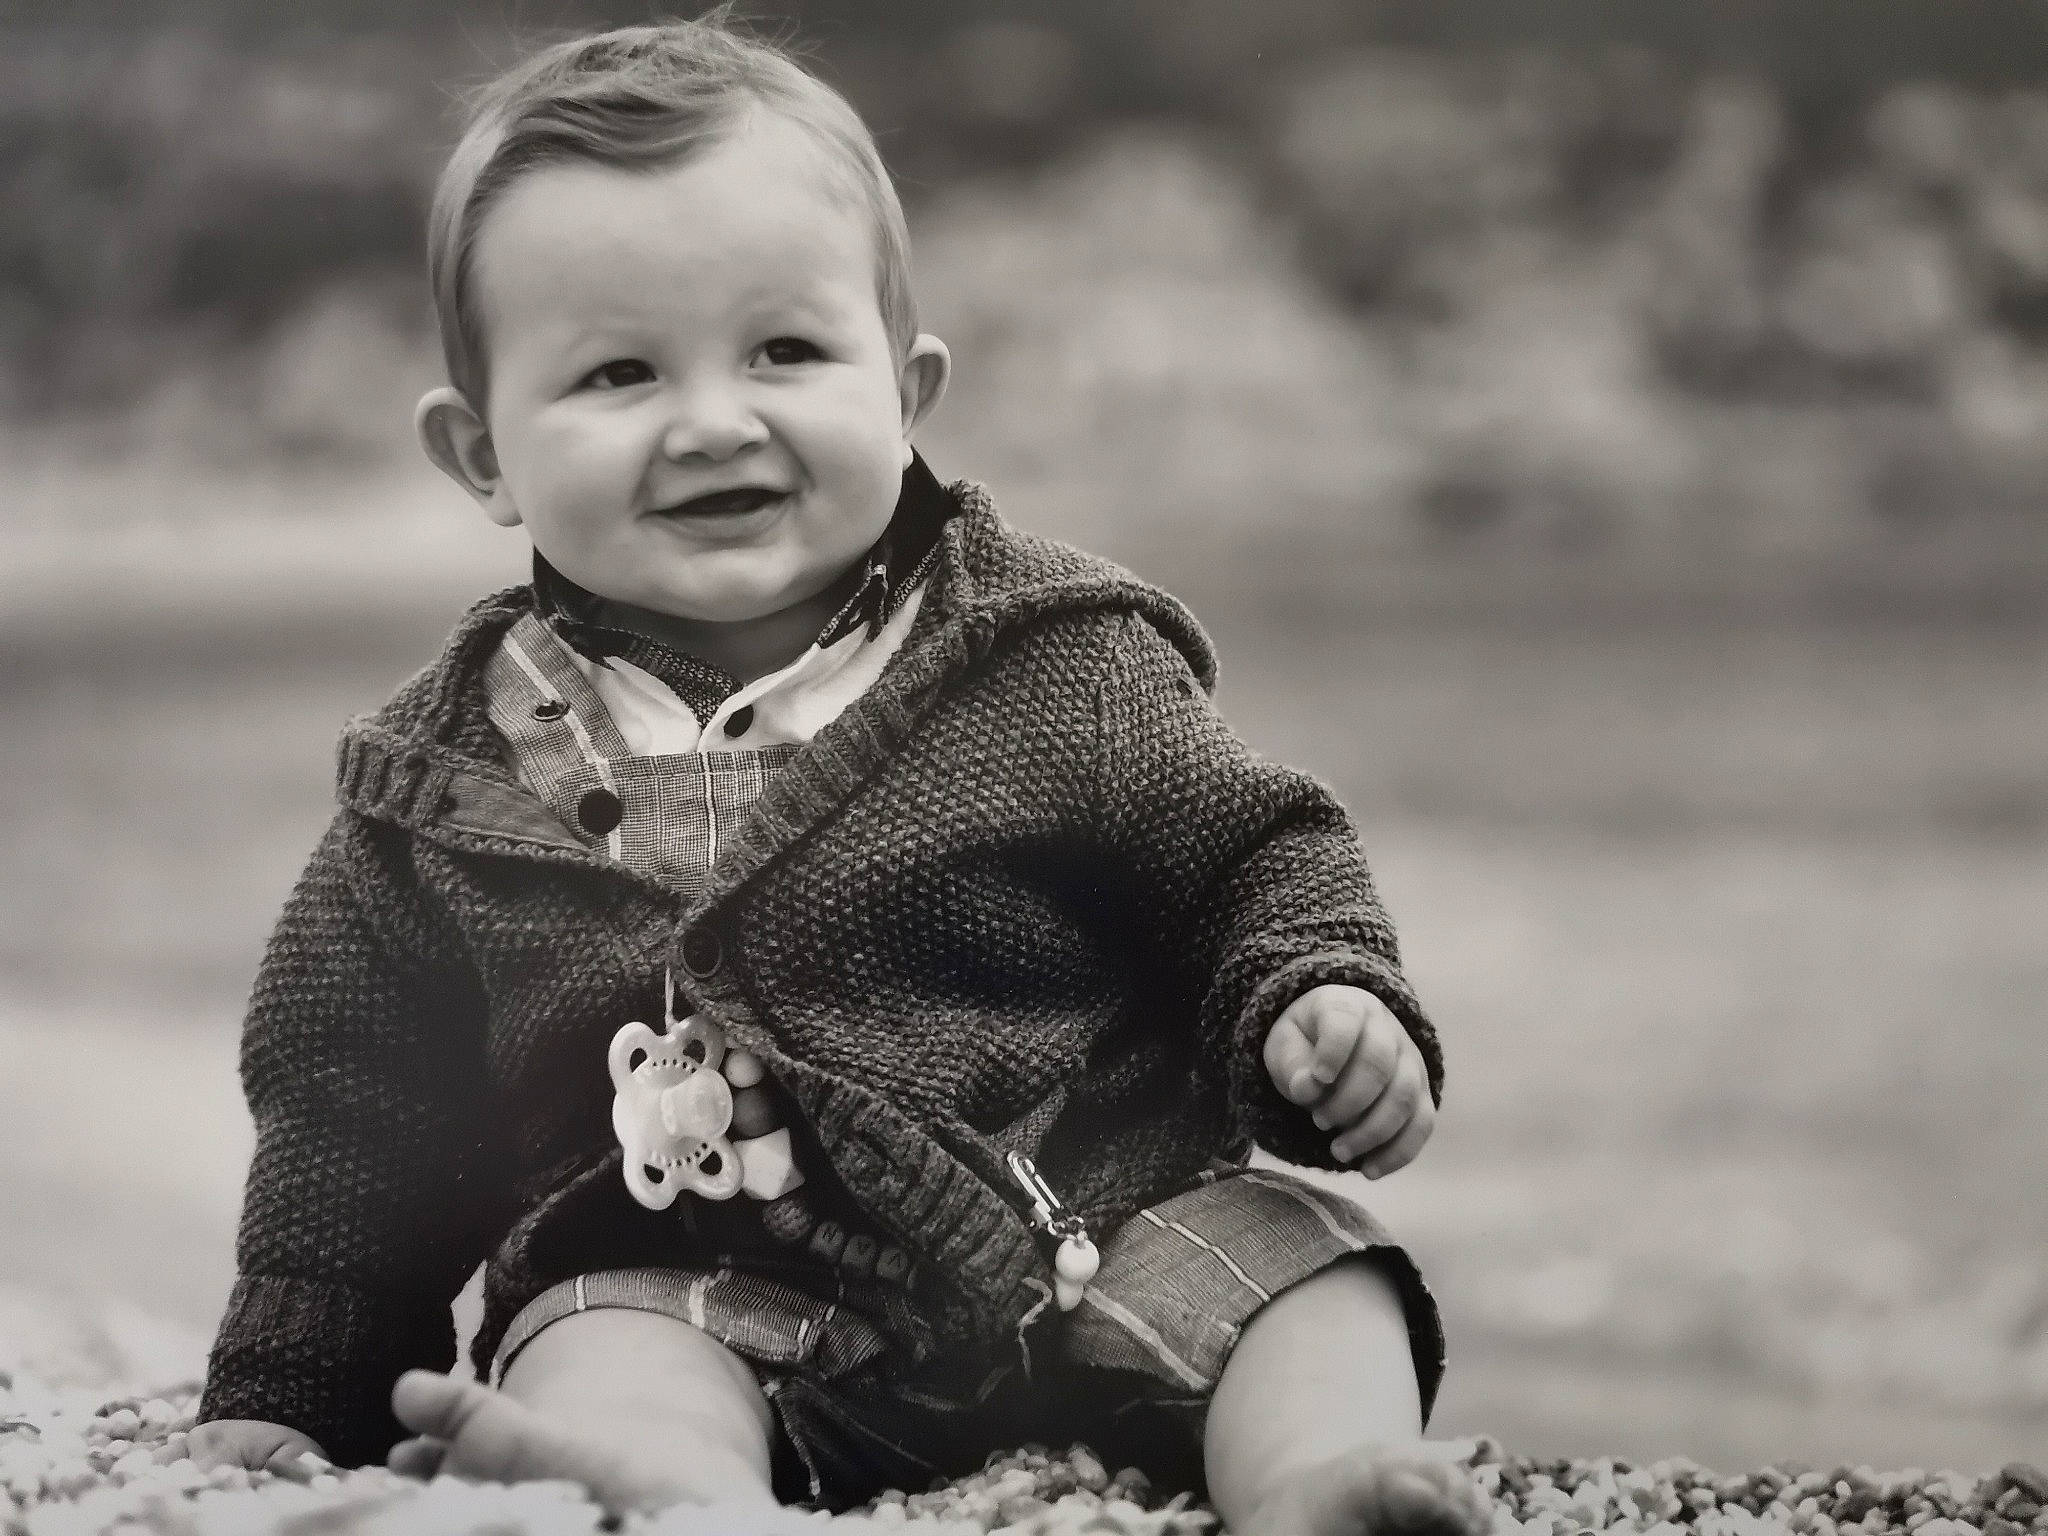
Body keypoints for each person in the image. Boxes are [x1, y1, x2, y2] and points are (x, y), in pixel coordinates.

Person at [188, 16, 1489, 1536]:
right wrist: (293, 1394)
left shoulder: (1050, 660)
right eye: (619, 372)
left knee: (1310, 1272)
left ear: (907, 388)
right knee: (595, 1340)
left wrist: (1314, 999)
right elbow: (353, 1122)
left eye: (786, 352)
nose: (713, 422)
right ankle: (678, 1492)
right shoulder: (442, 790)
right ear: (482, 457)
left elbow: (1248, 856)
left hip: (1102, 1238)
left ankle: (1319, 1485)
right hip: (705, 1292)